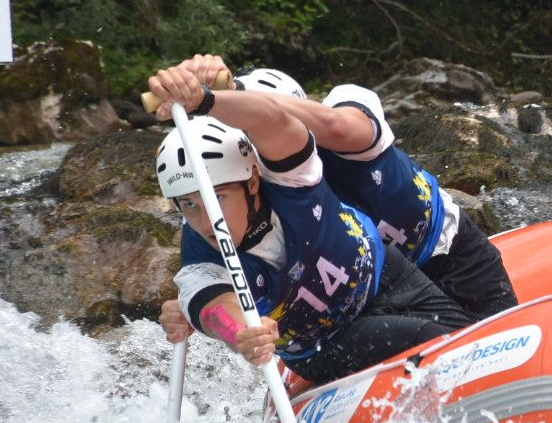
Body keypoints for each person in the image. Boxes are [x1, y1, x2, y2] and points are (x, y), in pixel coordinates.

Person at [147, 64, 461, 386]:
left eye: (219, 197)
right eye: (189, 205)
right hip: (326, 343)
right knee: (435, 338)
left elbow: (273, 122)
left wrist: (205, 99)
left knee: (466, 335)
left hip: (386, 277)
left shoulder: (288, 176)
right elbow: (214, 309)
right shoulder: (200, 260)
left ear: (252, 181)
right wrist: (245, 332)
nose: (206, 219)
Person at [178, 56, 519, 328]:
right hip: (374, 290)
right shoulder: (259, 185)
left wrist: (233, 92)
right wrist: (200, 304)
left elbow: (334, 126)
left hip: (447, 253)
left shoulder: (347, 105)